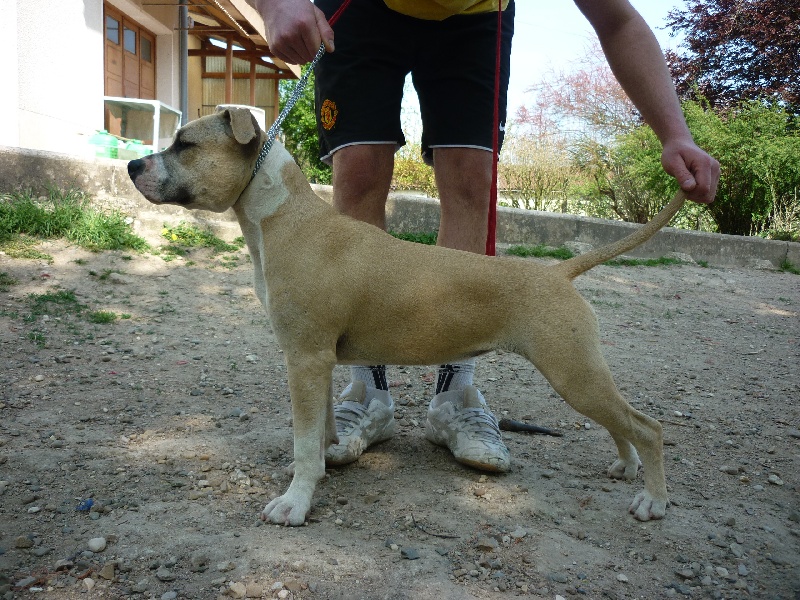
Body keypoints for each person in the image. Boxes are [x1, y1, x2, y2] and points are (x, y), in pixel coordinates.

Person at [254, 0, 721, 473]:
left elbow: (617, 19)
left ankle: (454, 393)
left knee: (470, 177)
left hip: (475, 15)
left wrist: (674, 133)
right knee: (357, 169)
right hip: (360, 7)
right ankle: (365, 390)